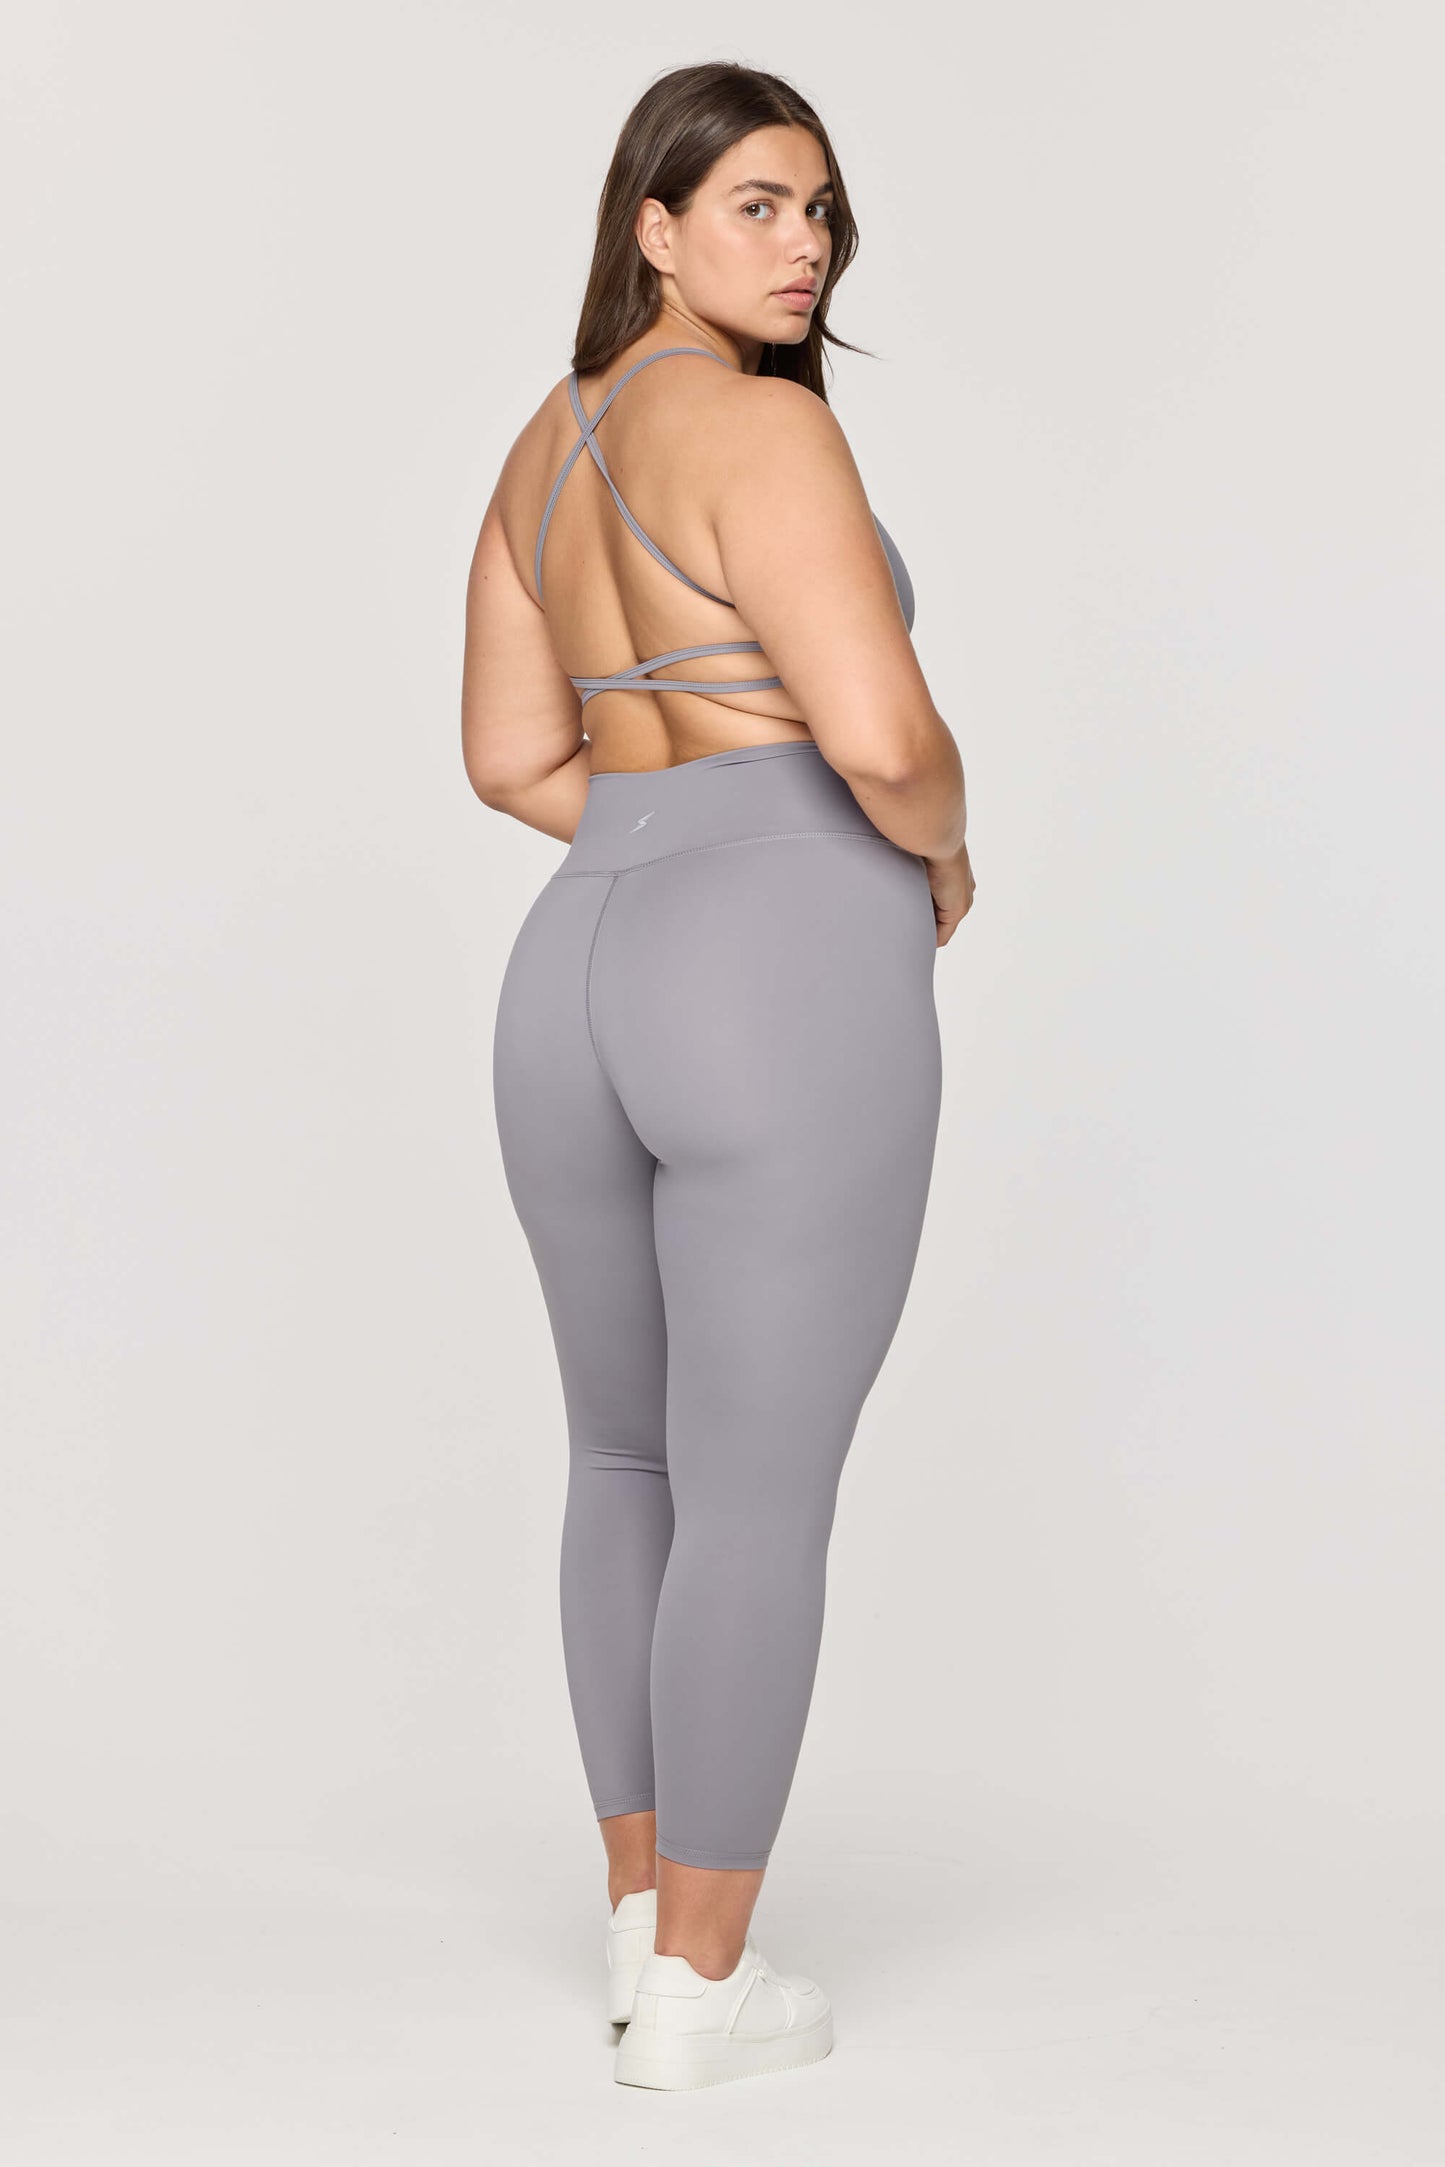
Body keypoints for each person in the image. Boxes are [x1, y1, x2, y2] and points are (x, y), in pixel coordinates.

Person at [461, 60, 974, 2091]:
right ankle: (701, 1988)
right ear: (652, 229)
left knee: (623, 1461)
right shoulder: (765, 433)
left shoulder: (543, 446)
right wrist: (936, 849)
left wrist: (661, 836)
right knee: (755, 1486)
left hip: (574, 965)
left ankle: (637, 1915)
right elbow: (884, 735)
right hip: (778, 970)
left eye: (819, 208)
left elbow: (511, 758)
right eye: (756, 203)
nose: (803, 241)